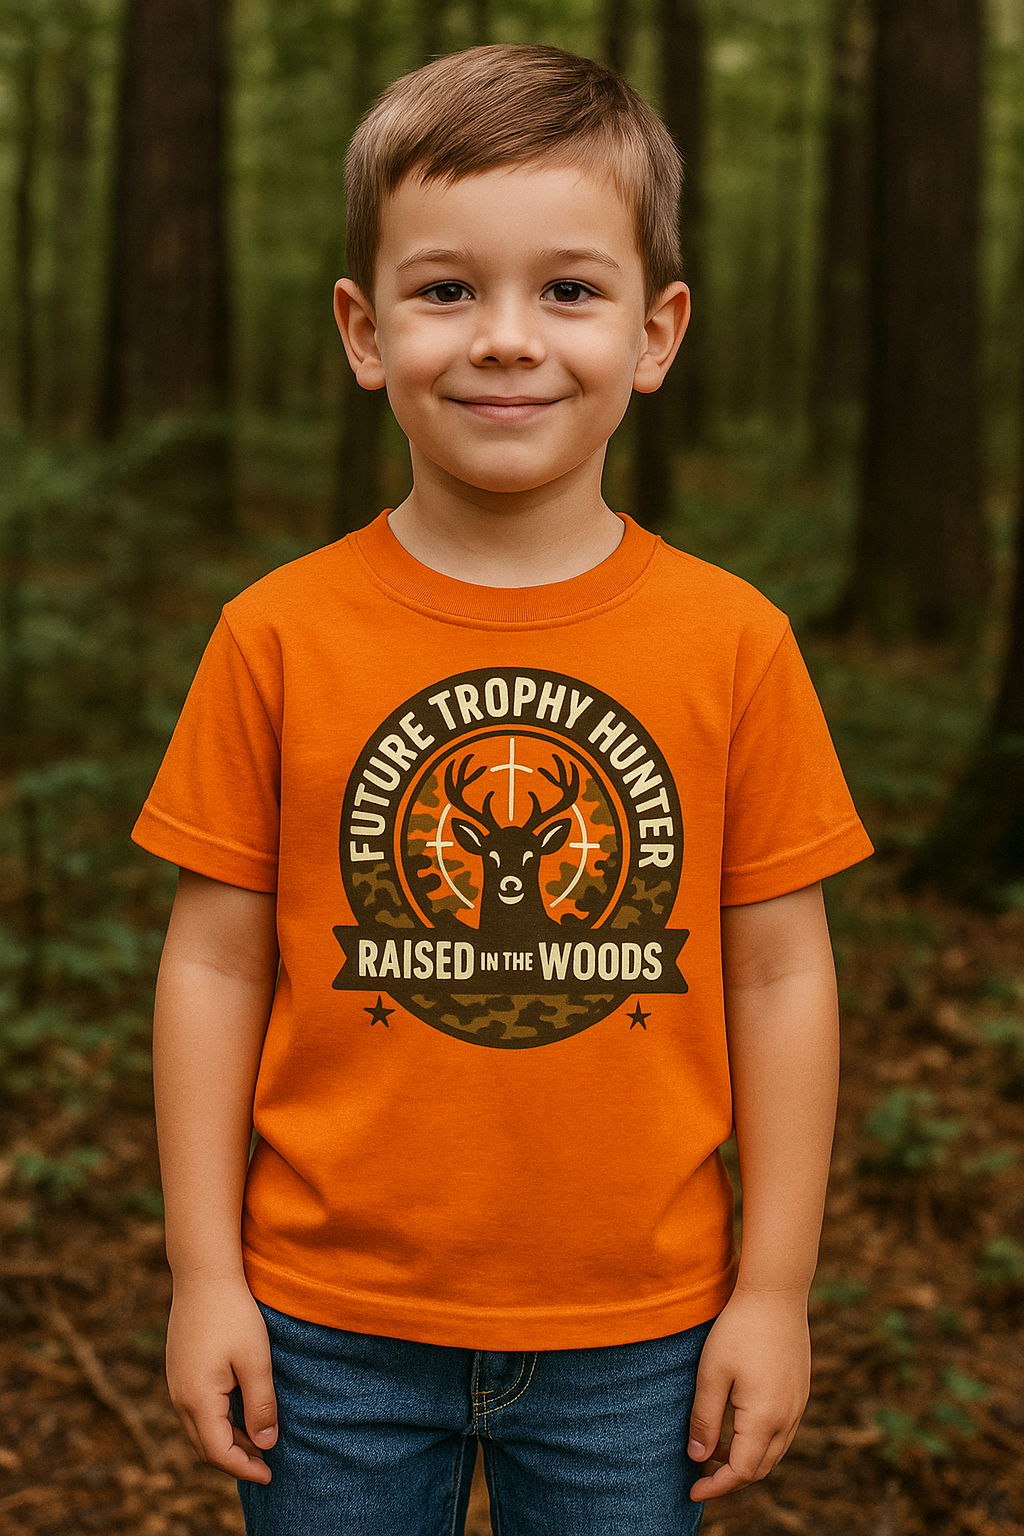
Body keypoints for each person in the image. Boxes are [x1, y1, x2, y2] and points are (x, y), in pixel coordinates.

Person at [133, 43, 873, 1536]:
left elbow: (782, 973)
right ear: (364, 329)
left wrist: (775, 1289)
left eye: (572, 291)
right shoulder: (275, 635)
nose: (507, 340)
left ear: (658, 333)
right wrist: (205, 1273)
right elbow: (213, 962)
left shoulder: (734, 643)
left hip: (643, 1335)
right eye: (448, 288)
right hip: (323, 1327)